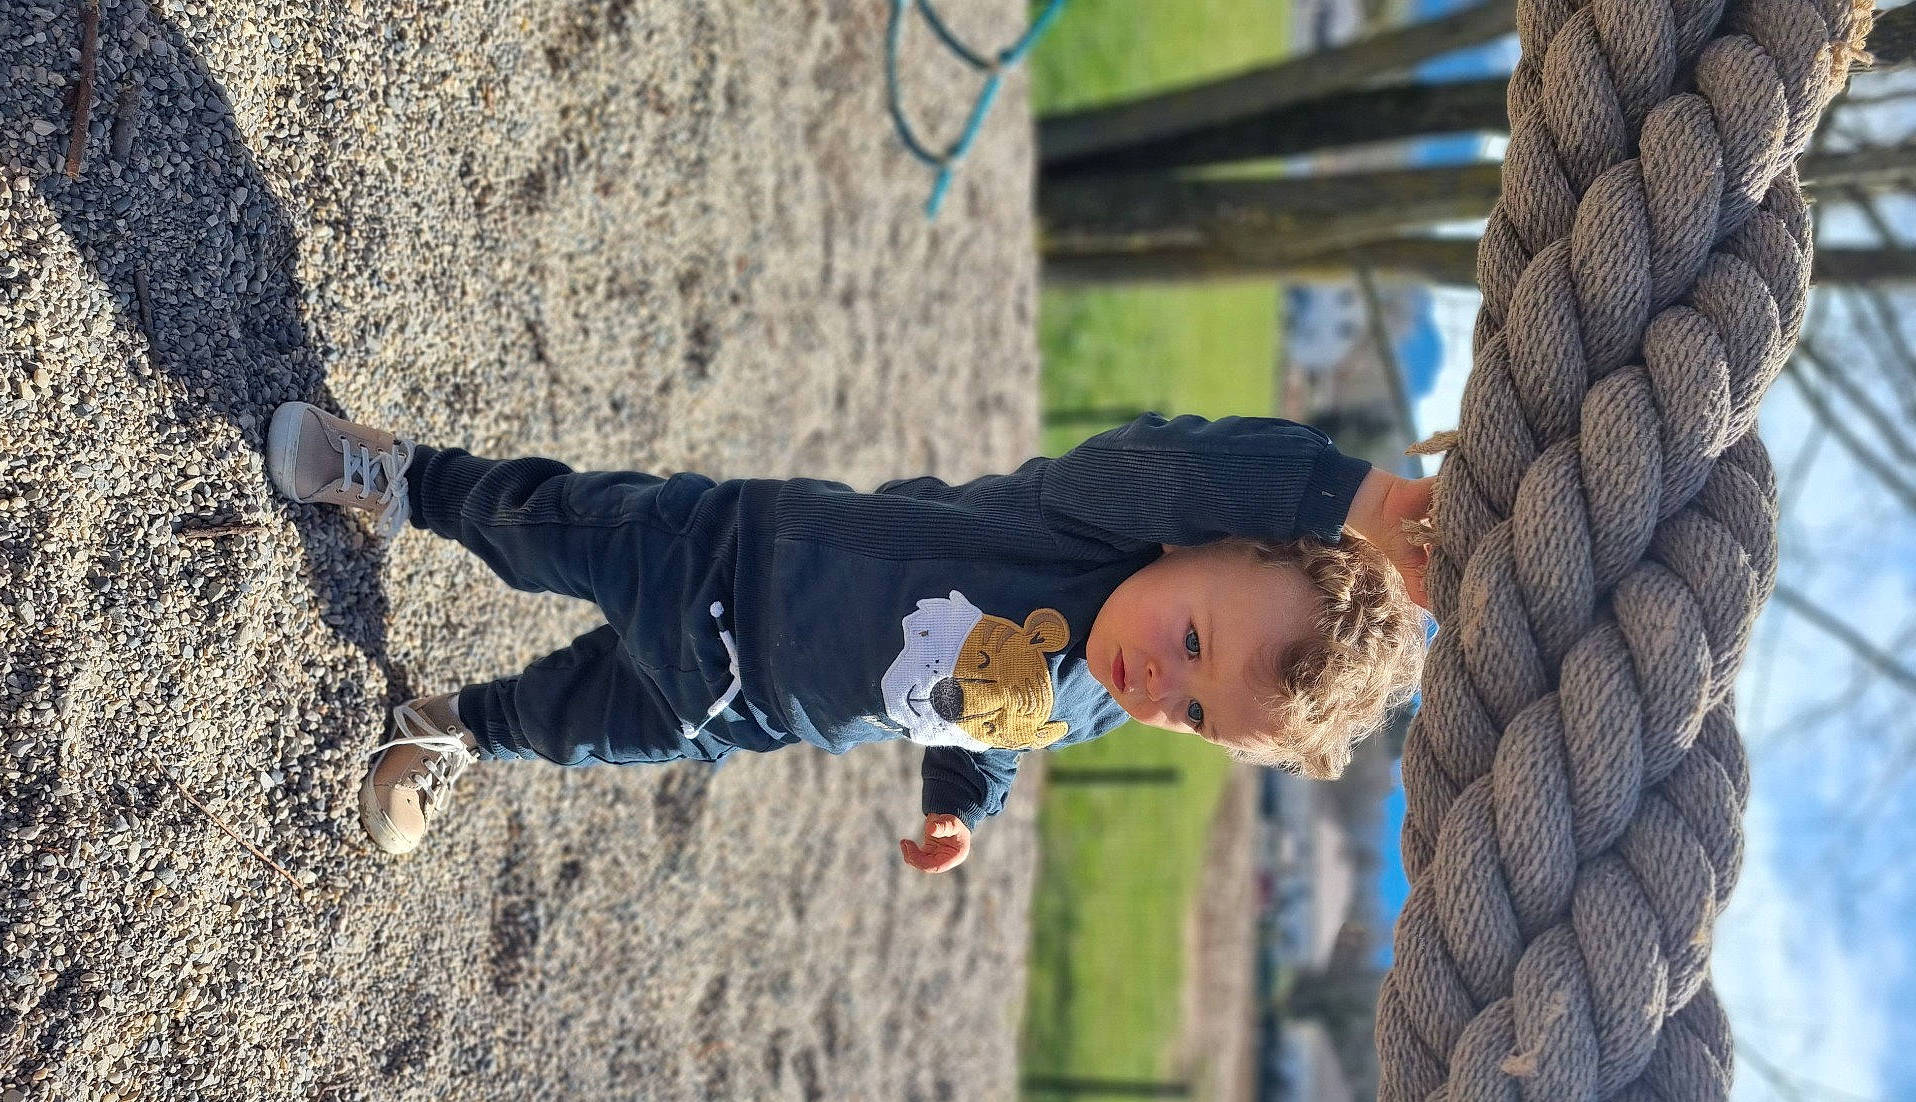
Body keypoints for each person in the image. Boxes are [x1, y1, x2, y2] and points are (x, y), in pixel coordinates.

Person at [265, 402, 1434, 872]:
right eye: (1191, 640)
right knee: (535, 524)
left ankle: (449, 728)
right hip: (720, 559)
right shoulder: (1082, 525)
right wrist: (1363, 499)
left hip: (739, 709)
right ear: (1198, 538)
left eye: (1195, 713)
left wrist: (959, 806)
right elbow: (1192, 458)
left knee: (577, 724)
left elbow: (991, 730)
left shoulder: (1091, 702)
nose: (1161, 686)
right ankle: (404, 479)